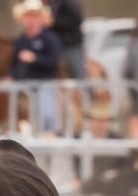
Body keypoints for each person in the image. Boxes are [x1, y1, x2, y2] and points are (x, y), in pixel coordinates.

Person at [11, 0, 63, 135]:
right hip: (22, 86)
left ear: (41, 18)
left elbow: (54, 62)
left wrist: (35, 59)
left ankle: (49, 135)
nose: (31, 20)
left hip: (44, 84)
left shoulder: (50, 38)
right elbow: (13, 63)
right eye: (28, 16)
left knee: (47, 115)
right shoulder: (20, 40)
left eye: (34, 15)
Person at [50, 0, 86, 79]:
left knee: (78, 72)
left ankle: (86, 91)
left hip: (72, 45)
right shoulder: (54, 3)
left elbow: (76, 19)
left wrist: (54, 22)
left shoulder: (70, 2)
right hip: (57, 45)